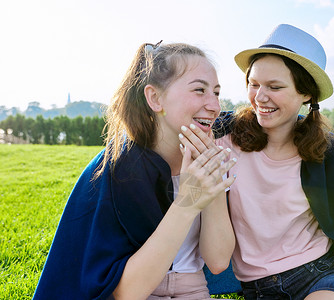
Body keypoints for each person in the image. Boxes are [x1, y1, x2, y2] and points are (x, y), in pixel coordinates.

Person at [183, 24, 334, 299]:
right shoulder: (221, 134)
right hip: (258, 288)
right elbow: (166, 126)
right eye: (253, 84)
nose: (260, 97)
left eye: (275, 87)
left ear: (307, 94)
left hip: (322, 274)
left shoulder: (328, 148)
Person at [32, 41, 237, 300]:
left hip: (193, 288)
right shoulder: (116, 168)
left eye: (216, 93)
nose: (214, 105)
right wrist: (188, 201)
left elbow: (218, 261)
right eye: (200, 90)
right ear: (154, 98)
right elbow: (129, 292)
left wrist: (212, 184)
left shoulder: (209, 159)